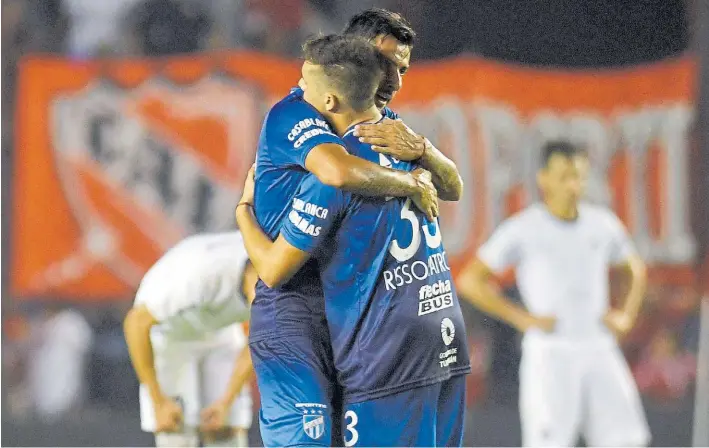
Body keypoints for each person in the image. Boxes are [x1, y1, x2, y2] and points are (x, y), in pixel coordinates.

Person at [237, 34, 470, 447]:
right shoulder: (404, 145)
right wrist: (416, 172)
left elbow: (273, 269)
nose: (297, 90)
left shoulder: (331, 172)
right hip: (444, 340)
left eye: (305, 83)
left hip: (383, 355)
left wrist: (242, 211)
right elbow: (454, 187)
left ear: (330, 101)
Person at [457, 141, 651, 447]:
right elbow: (470, 280)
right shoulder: (523, 229)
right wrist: (521, 318)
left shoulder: (602, 225)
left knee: (625, 439)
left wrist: (625, 314)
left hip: (598, 344)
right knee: (550, 441)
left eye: (578, 176)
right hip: (550, 352)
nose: (573, 185)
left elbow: (634, 269)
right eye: (564, 176)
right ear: (544, 178)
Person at [124, 232, 258, 448]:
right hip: (170, 333)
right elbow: (136, 323)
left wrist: (227, 400)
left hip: (220, 328)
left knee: (227, 431)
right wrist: (157, 400)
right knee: (176, 433)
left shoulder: (284, 272)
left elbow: (258, 339)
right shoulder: (199, 273)